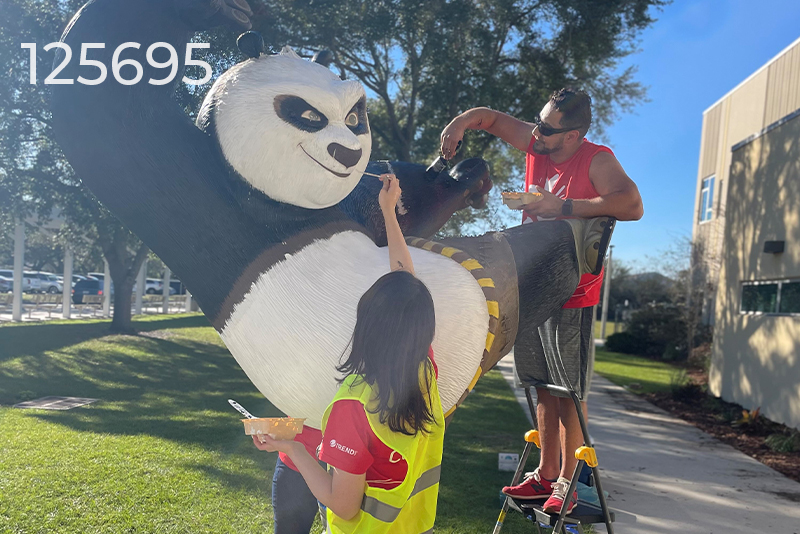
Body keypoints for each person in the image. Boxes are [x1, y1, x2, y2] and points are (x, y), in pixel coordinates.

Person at [440, 88, 643, 514]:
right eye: (538, 123)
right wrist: (460, 123)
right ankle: (546, 476)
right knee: (541, 387)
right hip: (532, 283)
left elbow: (631, 204)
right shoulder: (538, 143)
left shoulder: (596, 159)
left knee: (569, 390)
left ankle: (570, 484)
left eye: (549, 130)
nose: (537, 134)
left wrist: (562, 206)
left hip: (575, 290)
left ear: (573, 136)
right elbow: (491, 118)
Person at [253, 173, 445, 533]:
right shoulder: (423, 370)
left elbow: (343, 504)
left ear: (366, 327)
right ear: (423, 328)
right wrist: (388, 212)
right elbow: (406, 285)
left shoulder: (352, 406)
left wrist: (295, 450)